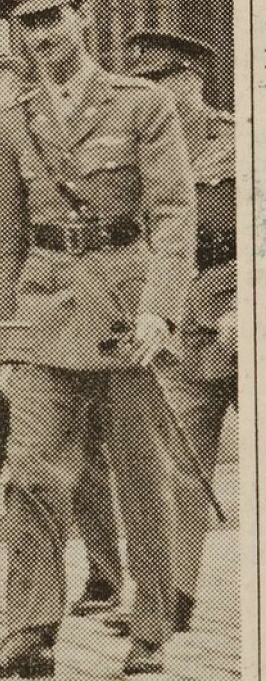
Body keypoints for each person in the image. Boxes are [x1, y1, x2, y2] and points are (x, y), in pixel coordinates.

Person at [0, 0, 195, 681]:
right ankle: (29, 634)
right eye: (28, 24)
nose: (42, 35)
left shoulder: (139, 105)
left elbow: (174, 213)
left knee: (137, 476)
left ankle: (151, 626)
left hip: (123, 307)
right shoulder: (13, 118)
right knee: (31, 472)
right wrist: (5, 338)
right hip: (41, 311)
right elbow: (7, 236)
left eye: (53, 18)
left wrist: (160, 309)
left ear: (84, 16)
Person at [0, 16, 122, 626]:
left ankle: (104, 569)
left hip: (58, 314)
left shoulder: (42, 141)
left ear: (16, 75)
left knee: (82, 449)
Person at [102, 31, 236, 638]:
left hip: (242, 302)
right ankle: (174, 595)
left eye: (163, 82)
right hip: (189, 309)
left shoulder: (238, 138)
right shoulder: (147, 149)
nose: (153, 94)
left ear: (192, 81)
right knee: (179, 461)